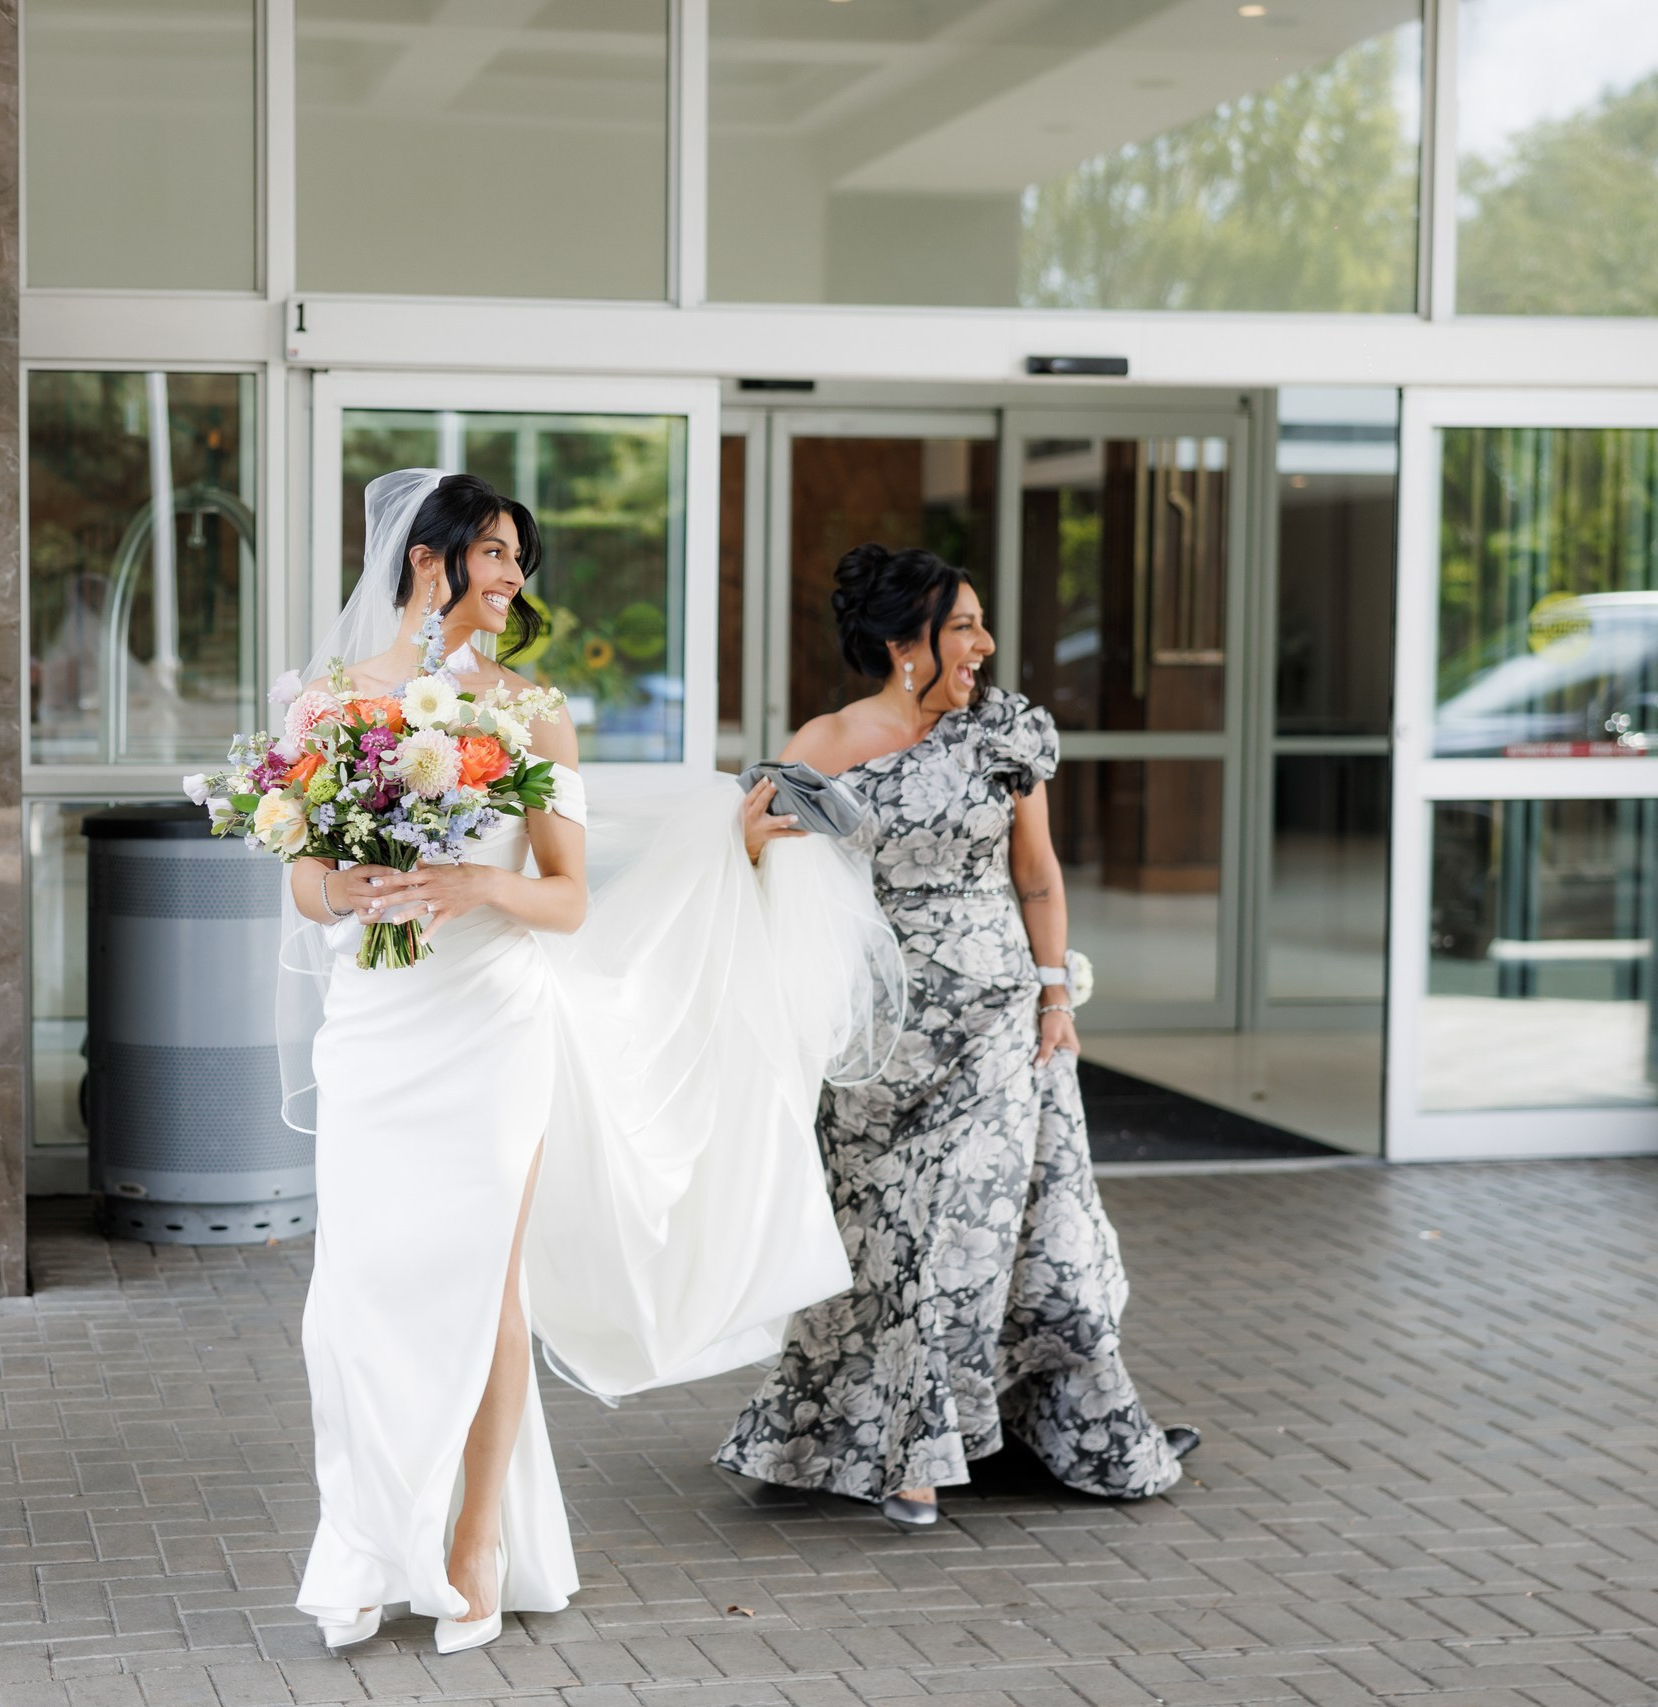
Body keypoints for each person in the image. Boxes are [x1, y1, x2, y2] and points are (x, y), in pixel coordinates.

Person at [285, 472, 896, 1654]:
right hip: (374, 1023)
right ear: (429, 559)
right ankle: (360, 1538)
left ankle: (472, 1543)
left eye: (521, 558)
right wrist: (342, 885)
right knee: (351, 1295)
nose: (515, 578)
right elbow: (300, 878)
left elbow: (562, 898)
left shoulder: (531, 708)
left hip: (492, 1022)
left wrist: (473, 884)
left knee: (485, 1291)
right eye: (498, 553)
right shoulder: (330, 707)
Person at [714, 542, 1196, 1527]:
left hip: (994, 1030)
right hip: (874, 1042)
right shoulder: (827, 741)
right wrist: (758, 840)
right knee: (876, 1246)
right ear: (905, 642)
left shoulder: (1005, 734)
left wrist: (1055, 1000)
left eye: (979, 623)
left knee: (964, 1243)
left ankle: (922, 1459)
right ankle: (852, 1435)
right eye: (962, 624)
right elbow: (749, 855)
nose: (982, 643)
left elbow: (1039, 876)